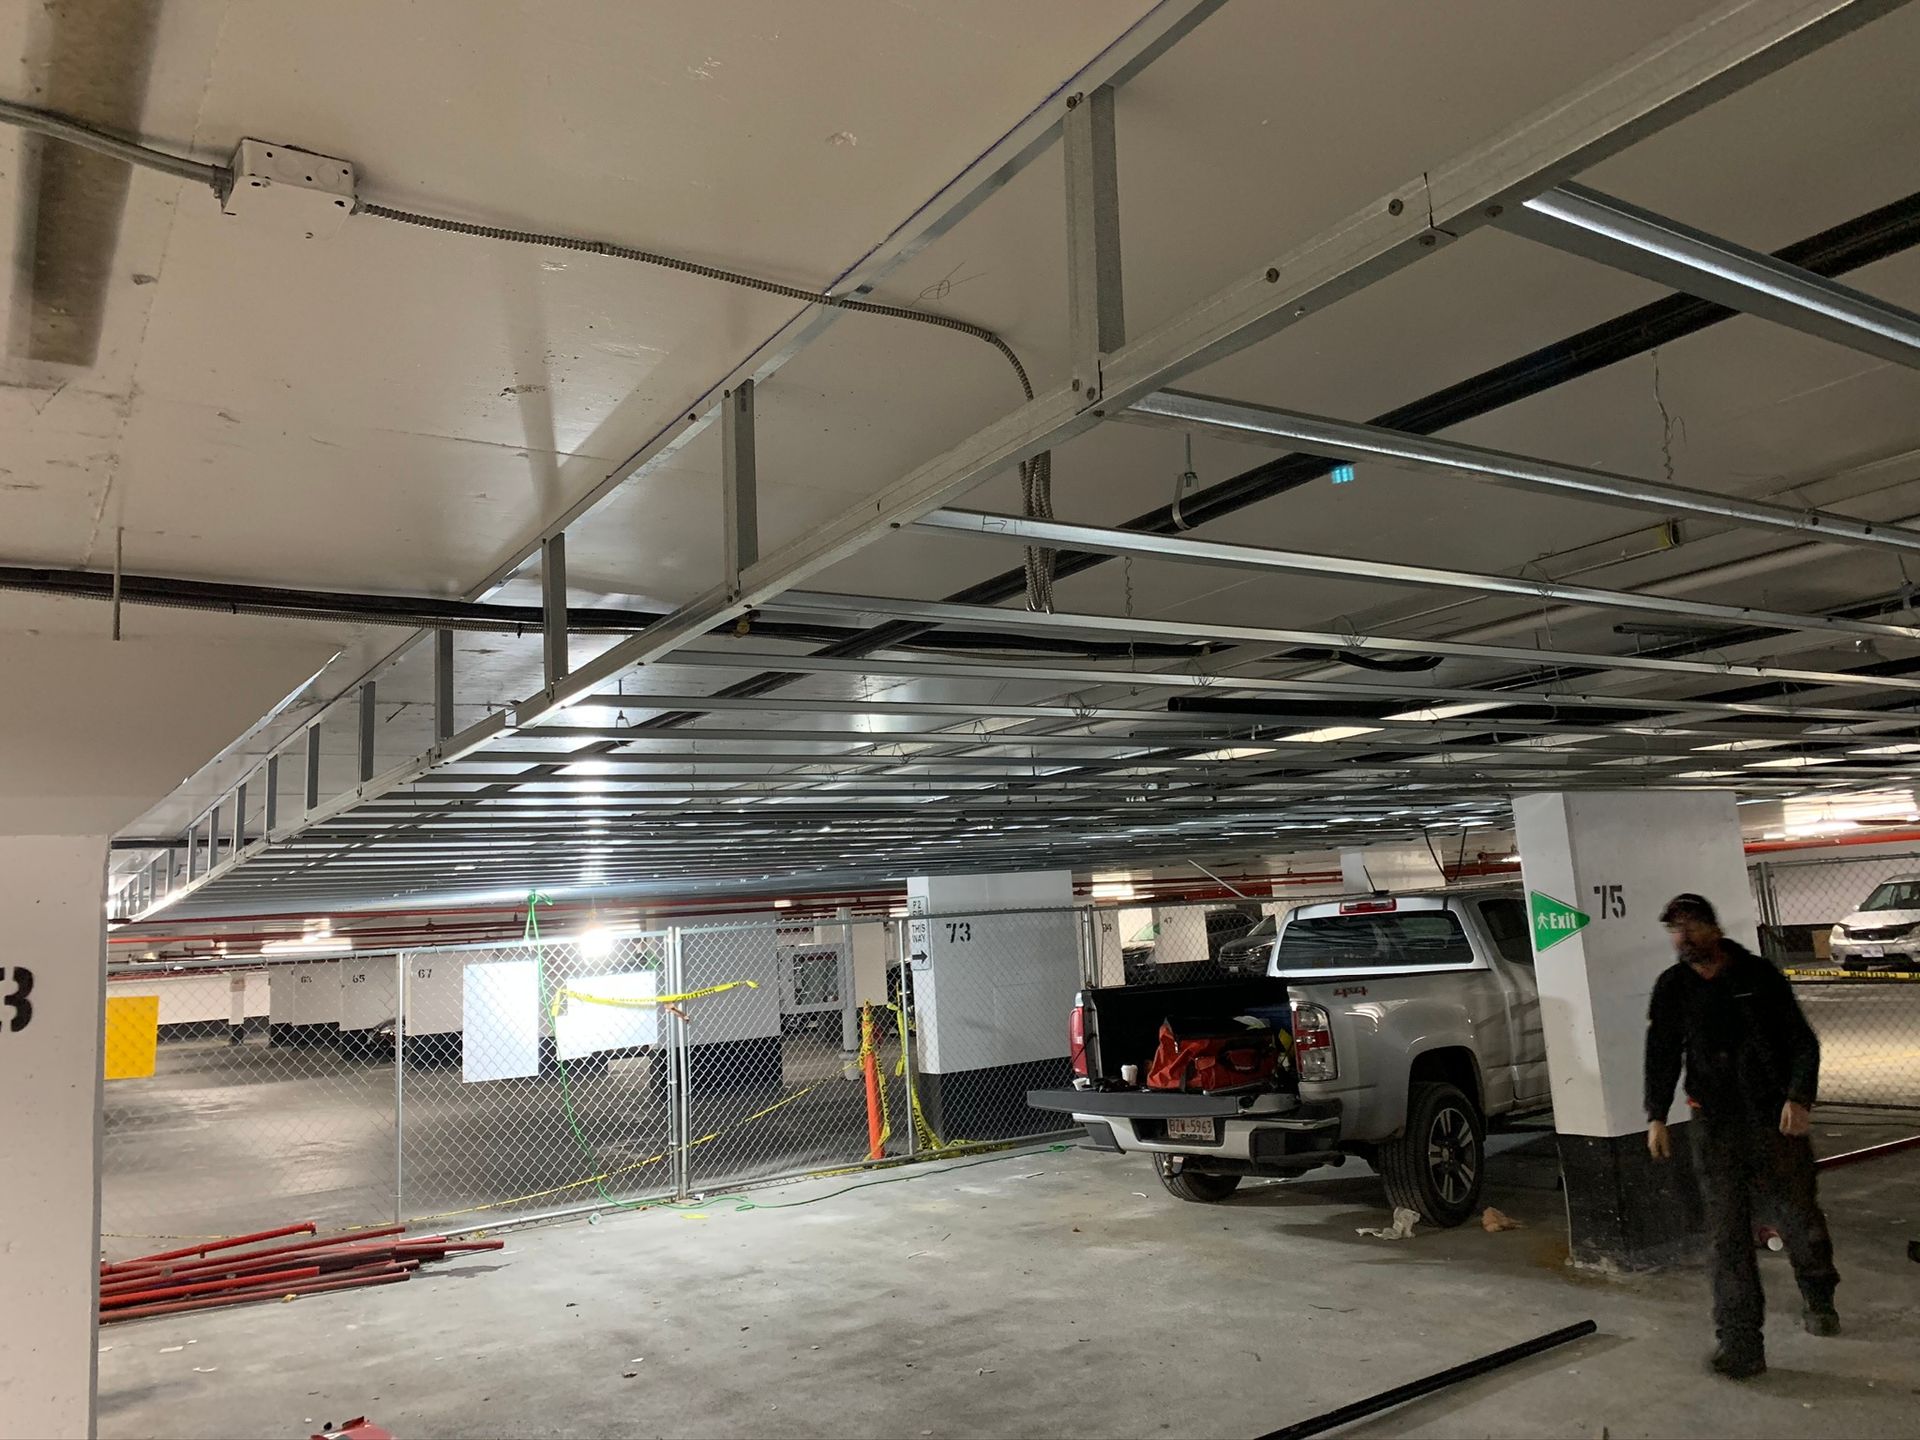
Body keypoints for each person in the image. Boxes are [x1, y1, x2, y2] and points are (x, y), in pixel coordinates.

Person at [1645, 892, 1839, 1380]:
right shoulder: (1673, 987)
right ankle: (1740, 1343)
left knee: (1798, 1215)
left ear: (1714, 928)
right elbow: (1662, 1051)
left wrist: (1799, 1098)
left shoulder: (1757, 976)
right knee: (1726, 1234)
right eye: (1675, 929)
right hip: (1715, 1125)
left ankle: (1818, 1293)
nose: (1683, 937)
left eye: (1691, 926)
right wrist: (1656, 1115)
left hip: (1773, 1119)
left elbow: (1802, 1042)